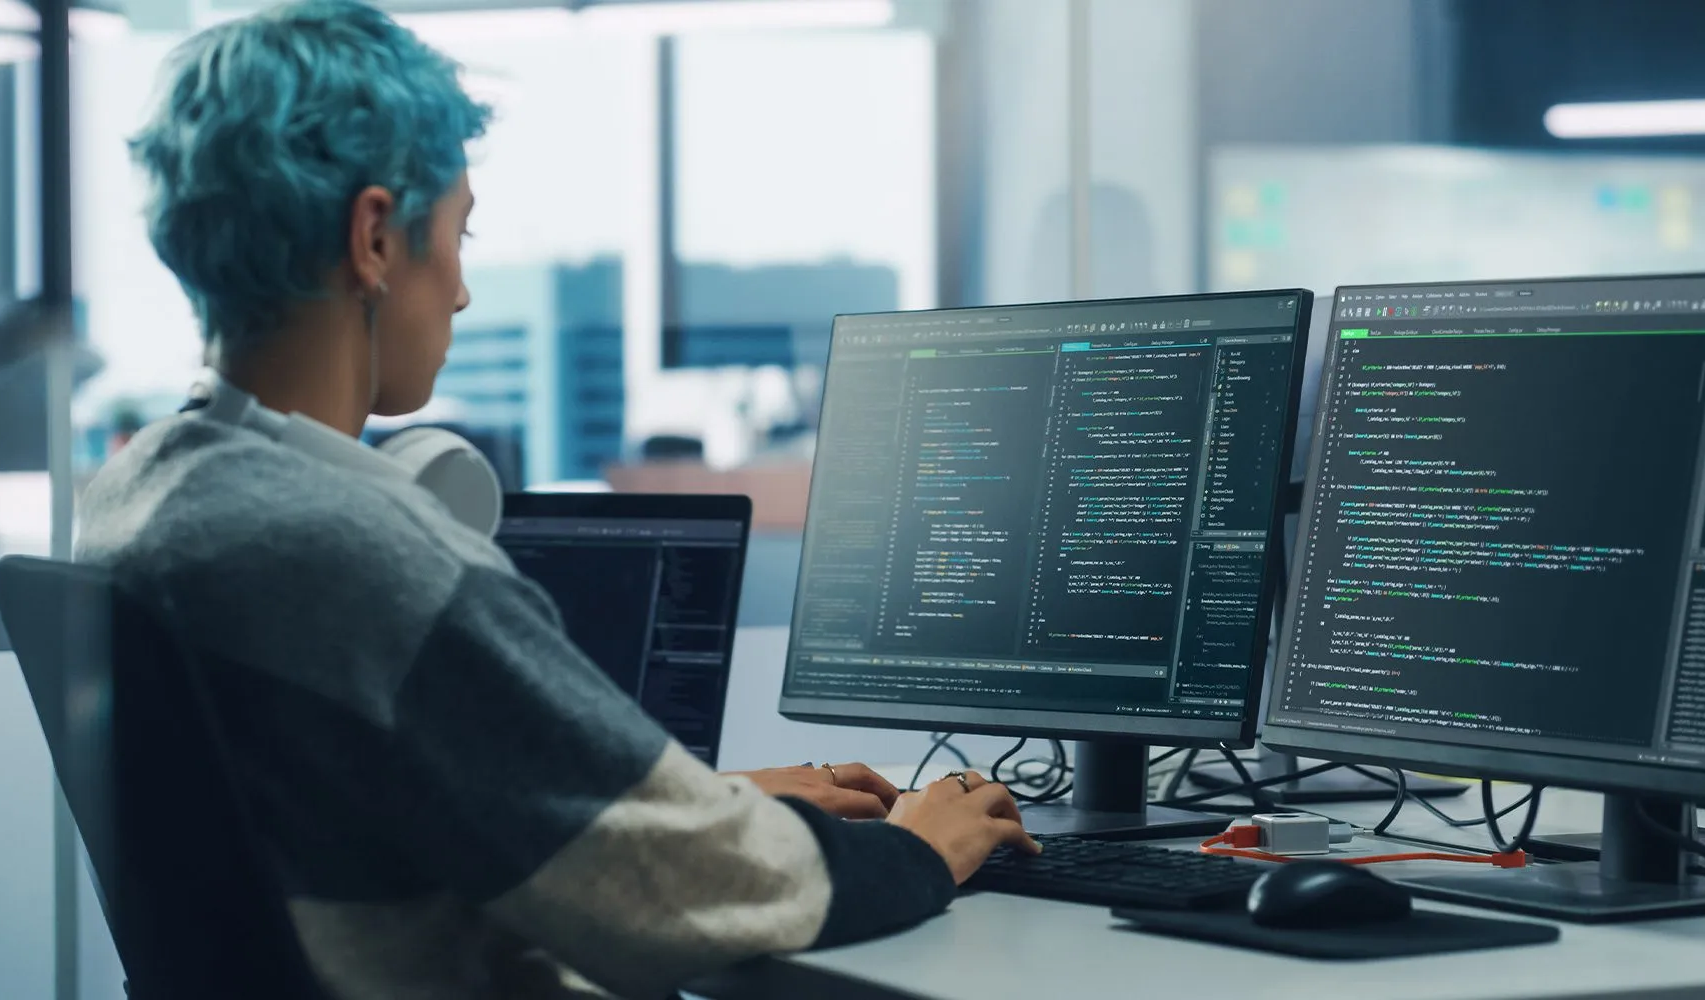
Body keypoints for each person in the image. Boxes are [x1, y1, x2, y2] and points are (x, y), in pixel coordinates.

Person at [77, 2, 1037, 998]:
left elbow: (371, 798)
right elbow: (679, 896)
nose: (460, 292)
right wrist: (920, 846)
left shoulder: (144, 496)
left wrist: (692, 802)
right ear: (373, 238)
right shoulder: (357, 554)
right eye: (457, 233)